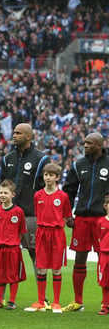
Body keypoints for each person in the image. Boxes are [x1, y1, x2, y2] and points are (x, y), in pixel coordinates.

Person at [0, 123, 49, 307]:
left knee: (35, 254)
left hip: (30, 214)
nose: (14, 135)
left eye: (18, 133)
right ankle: (0, 298)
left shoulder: (40, 159)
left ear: (28, 136)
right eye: (13, 132)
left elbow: (44, 188)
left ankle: (41, 298)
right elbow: (3, 184)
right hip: (6, 214)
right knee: (2, 255)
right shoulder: (8, 158)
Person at [62, 132, 109, 312]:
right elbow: (68, 191)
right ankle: (78, 301)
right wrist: (67, 215)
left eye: (89, 143)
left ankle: (106, 302)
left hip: (101, 219)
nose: (85, 146)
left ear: (99, 145)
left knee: (104, 260)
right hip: (81, 218)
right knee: (79, 259)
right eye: (85, 143)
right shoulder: (78, 164)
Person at [24, 163, 73, 313]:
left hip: (57, 234)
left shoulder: (63, 196)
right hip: (42, 233)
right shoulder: (38, 195)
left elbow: (67, 216)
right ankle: (40, 301)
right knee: (41, 267)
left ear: (57, 177)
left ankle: (56, 303)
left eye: (51, 175)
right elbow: (39, 213)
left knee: (56, 268)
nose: (48, 178)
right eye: (46, 175)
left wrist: (56, 226)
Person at [0, 180, 27, 310]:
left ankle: (12, 300)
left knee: (13, 275)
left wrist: (13, 241)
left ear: (13, 195)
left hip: (13, 248)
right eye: (1, 192)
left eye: (6, 193)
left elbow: (21, 231)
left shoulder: (18, 212)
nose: (3, 195)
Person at [96, 195, 109, 315]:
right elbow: (98, 237)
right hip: (104, 255)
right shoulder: (101, 221)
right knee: (104, 281)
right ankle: (105, 304)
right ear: (105, 206)